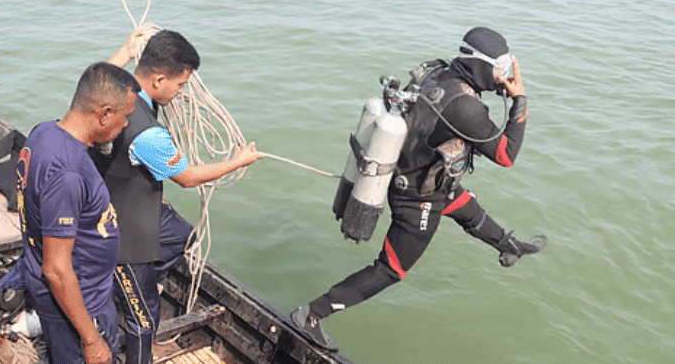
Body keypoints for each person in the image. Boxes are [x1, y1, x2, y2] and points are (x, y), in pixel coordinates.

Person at [290, 26, 548, 351]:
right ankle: (312, 314)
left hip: (420, 172)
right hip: (417, 197)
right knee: (390, 269)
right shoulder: (466, 108)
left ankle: (508, 246)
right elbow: (506, 155)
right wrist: (519, 100)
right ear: (481, 65)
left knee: (463, 204)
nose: (502, 76)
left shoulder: (437, 70)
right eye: (499, 68)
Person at [95, 29, 264, 364]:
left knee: (182, 235)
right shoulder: (147, 134)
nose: (182, 92)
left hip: (116, 198)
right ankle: (126, 294)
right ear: (158, 79)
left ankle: (124, 289)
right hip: (121, 234)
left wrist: (127, 50)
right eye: (180, 84)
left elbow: (99, 73)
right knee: (145, 322)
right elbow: (187, 178)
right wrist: (238, 161)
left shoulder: (113, 88)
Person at [16, 62, 140, 364]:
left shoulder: (44, 132)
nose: (125, 126)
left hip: (59, 279)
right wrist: (92, 339)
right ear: (105, 113)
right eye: (124, 117)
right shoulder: (67, 175)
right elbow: (57, 270)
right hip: (81, 299)